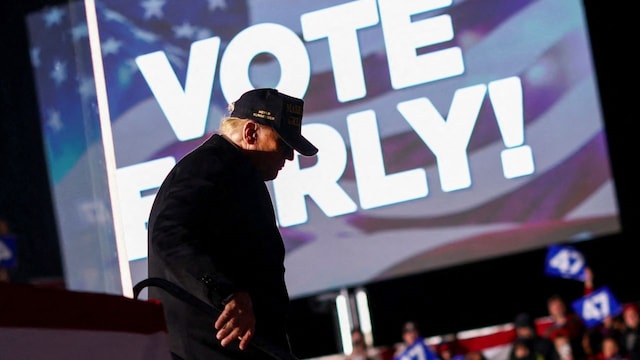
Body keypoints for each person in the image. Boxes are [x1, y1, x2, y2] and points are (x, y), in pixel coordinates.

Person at [146, 88, 318, 360]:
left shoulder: (230, 169)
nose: (289, 157)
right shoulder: (210, 167)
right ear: (250, 133)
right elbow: (168, 234)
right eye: (284, 144)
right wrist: (226, 293)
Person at [542, 294, 588, 360]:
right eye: (554, 307)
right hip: (556, 354)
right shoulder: (547, 328)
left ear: (564, 306)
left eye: (559, 306)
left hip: (576, 348)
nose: (557, 309)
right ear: (550, 310)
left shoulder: (574, 319)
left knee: (562, 340)